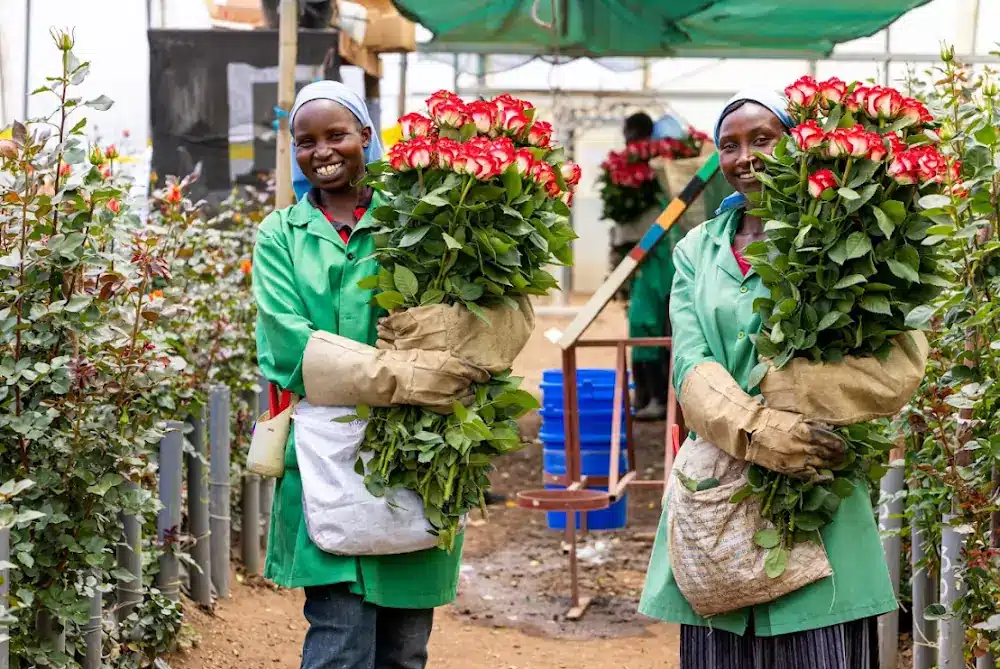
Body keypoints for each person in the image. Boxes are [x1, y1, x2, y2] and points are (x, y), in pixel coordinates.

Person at [637, 90, 902, 668]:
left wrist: (799, 404)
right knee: (725, 633)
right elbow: (690, 360)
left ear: (799, 143)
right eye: (729, 145)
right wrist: (757, 430)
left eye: (763, 139)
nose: (745, 156)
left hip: (817, 473)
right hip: (721, 480)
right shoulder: (695, 250)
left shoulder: (842, 237)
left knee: (817, 643)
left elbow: (894, 362)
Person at [252, 81, 483, 669]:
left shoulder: (421, 222)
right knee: (339, 637)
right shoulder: (281, 234)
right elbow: (287, 345)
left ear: (366, 137)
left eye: (337, 135)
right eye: (305, 141)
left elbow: (461, 321)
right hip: (325, 447)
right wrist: (405, 377)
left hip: (418, 447)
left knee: (406, 648)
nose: (322, 151)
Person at [627, 113, 688, 421]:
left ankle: (661, 397)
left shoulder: (669, 174)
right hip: (649, 257)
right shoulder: (640, 174)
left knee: (663, 325)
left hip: (665, 257)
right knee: (642, 323)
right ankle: (647, 394)